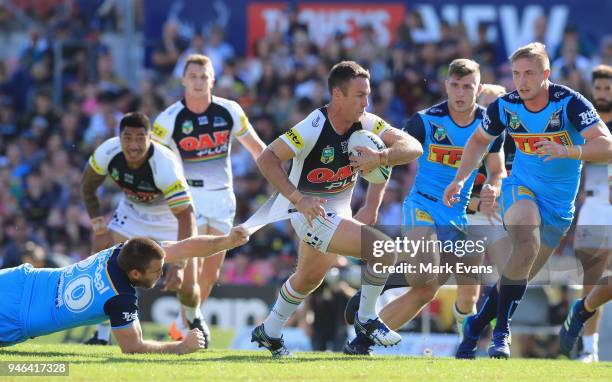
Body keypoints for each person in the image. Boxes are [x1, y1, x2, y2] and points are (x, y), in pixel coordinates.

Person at [443, 42, 612, 359]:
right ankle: (502, 334)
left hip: (559, 207)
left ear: (546, 74)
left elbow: (606, 145)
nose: (521, 81)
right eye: (517, 74)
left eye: (529, 74)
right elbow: (479, 140)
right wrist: (460, 178)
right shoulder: (506, 106)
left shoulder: (570, 104)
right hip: (521, 189)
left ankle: (475, 328)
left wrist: (569, 151)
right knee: (525, 238)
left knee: (516, 275)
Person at [252, 60, 423, 358]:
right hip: (310, 211)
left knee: (308, 278)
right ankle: (368, 318)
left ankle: (269, 330)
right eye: (359, 95)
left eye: (367, 94)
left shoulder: (367, 122)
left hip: (338, 211)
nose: (366, 102)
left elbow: (412, 148)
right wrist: (297, 199)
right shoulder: (312, 127)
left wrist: (379, 164)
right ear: (337, 95)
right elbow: (267, 159)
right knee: (383, 249)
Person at [343, 60, 505, 355]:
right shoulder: (425, 120)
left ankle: (361, 342)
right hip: (423, 206)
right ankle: (385, 281)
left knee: (428, 290)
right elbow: (389, 157)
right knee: (423, 276)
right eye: (454, 85)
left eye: (467, 87)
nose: (460, 92)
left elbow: (496, 170)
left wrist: (494, 186)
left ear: (478, 89)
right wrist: (372, 205)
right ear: (446, 86)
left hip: (459, 217)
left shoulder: (489, 125)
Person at [152, 54, 266, 346]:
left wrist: (280, 174)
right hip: (189, 198)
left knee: (212, 272)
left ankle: (186, 321)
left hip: (223, 198)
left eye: (204, 76)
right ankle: (192, 324)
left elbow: (257, 148)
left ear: (213, 79)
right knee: (191, 267)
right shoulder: (168, 119)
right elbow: (152, 160)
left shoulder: (229, 110)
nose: (199, 82)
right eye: (193, 76)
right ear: (183, 80)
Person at [0, 228, 249, 353]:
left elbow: (184, 248)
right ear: (136, 274)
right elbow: (132, 346)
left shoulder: (121, 251)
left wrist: (226, 241)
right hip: (13, 318)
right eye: (156, 271)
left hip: (17, 279)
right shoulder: (121, 297)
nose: (161, 273)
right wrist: (181, 347)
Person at [81, 112, 199, 345]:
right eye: (127, 138)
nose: (133, 145)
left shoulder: (165, 165)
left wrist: (178, 264)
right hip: (132, 214)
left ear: (151, 138)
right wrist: (99, 229)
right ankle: (101, 336)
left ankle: (195, 320)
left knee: (186, 287)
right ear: (119, 137)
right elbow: (87, 187)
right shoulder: (107, 152)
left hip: (170, 219)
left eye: (140, 138)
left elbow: (187, 216)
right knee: (103, 268)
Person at [565, 64, 612, 362]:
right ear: (591, 89)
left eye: (608, 88)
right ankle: (588, 349)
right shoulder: (585, 122)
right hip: (594, 204)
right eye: (599, 88)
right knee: (593, 276)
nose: (604, 93)